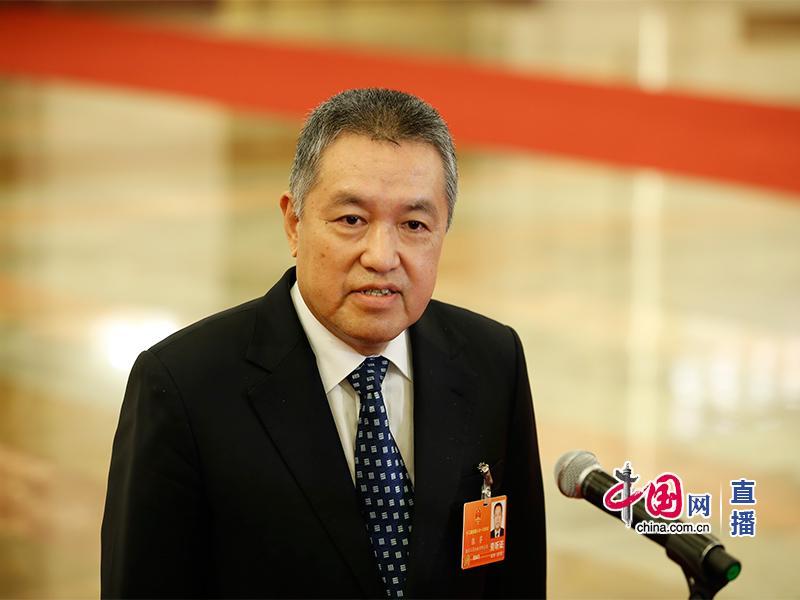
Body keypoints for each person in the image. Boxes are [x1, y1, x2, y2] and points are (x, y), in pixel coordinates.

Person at [101, 88, 546, 599]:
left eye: (414, 225)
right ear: (294, 223)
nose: (382, 256)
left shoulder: (493, 360)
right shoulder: (183, 387)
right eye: (352, 220)